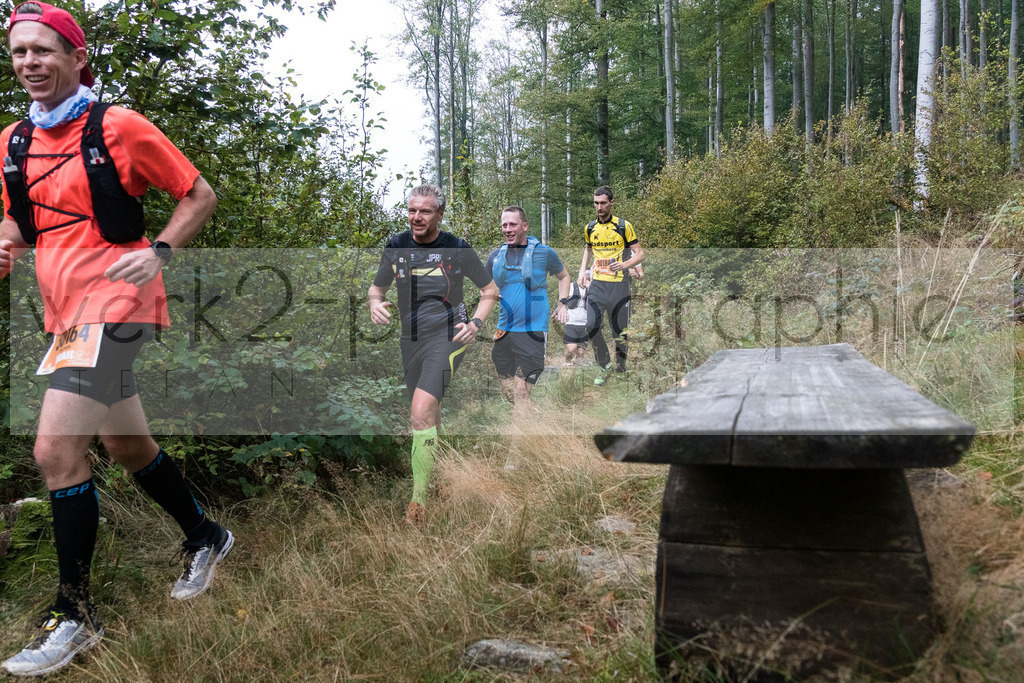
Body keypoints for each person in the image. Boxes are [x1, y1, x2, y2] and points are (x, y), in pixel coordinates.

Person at [0, 3, 228, 676]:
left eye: (44, 50)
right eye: (18, 53)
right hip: (67, 315)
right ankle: (206, 535)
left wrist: (158, 250)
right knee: (125, 444)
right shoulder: (11, 141)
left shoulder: (118, 126)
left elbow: (199, 194)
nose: (30, 63)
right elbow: (16, 221)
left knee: (55, 447)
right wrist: (6, 245)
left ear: (77, 57)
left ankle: (74, 615)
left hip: (123, 302)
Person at [368, 184, 498, 525]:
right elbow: (376, 287)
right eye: (412, 210)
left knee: (420, 413)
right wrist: (374, 303)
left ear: (439, 214)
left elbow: (489, 290)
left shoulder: (456, 248)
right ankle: (439, 478)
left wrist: (476, 323)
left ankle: (418, 506)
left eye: (425, 211)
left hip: (449, 337)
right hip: (410, 340)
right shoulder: (396, 246)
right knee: (431, 416)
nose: (416, 217)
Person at [485, 206, 570, 406]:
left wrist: (563, 303)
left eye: (512, 224)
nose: (507, 229)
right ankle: (530, 420)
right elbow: (486, 289)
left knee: (521, 391)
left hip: (533, 331)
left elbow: (564, 276)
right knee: (509, 391)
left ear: (524, 226)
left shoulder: (545, 253)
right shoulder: (495, 256)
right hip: (504, 330)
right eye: (504, 225)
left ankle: (521, 437)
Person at [577, 186, 646, 386]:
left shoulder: (624, 226)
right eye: (596, 203)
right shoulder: (590, 228)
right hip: (598, 285)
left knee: (620, 332)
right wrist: (583, 270)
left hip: (620, 286)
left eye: (603, 203)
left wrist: (624, 265)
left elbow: (640, 254)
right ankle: (604, 365)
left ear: (612, 203)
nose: (599, 207)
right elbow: (588, 250)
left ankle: (621, 369)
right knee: (591, 326)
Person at [563, 274, 590, 365]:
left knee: (581, 352)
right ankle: (567, 363)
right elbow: (563, 299)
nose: (586, 278)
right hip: (571, 323)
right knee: (571, 348)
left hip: (585, 324)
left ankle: (577, 371)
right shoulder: (570, 286)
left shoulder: (592, 289)